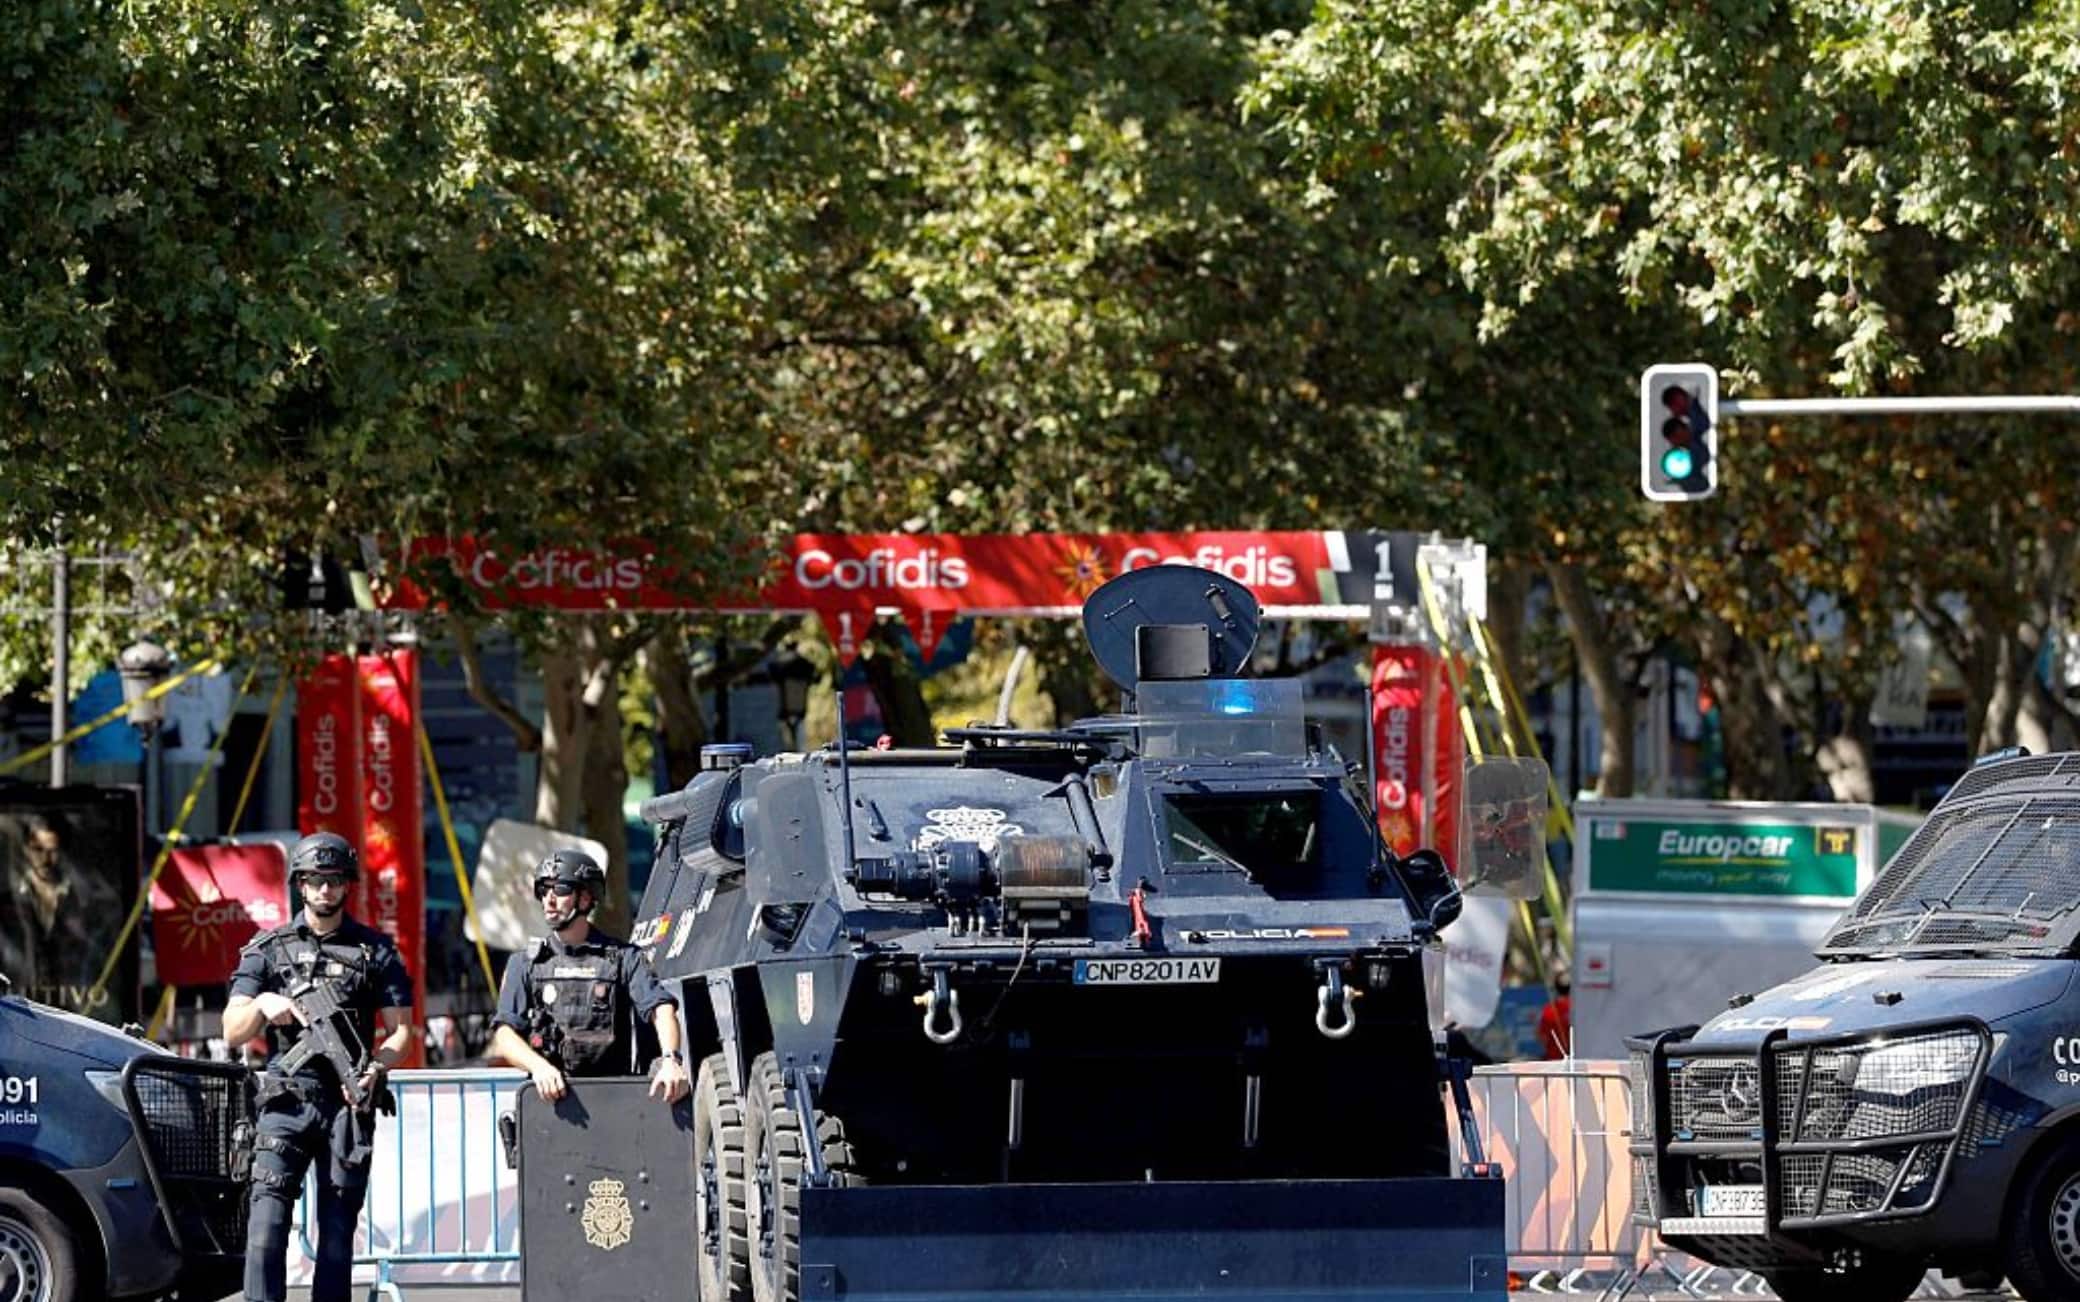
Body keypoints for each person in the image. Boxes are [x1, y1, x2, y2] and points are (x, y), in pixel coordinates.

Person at [223, 832, 416, 1302]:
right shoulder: (268, 948)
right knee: (265, 1231)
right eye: (315, 880)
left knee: (336, 1239)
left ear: (347, 884)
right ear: (300, 884)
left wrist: (376, 1067)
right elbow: (232, 1029)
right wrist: (264, 1003)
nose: (325, 890)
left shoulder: (375, 951)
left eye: (334, 880)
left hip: (346, 1105)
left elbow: (402, 1033)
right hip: (285, 1103)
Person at [490, 848, 690, 1105]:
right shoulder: (525, 963)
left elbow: (661, 1009)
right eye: (544, 890)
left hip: (615, 1100)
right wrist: (539, 1067)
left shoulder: (624, 957)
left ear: (585, 898)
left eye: (560, 890)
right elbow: (505, 1034)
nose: (549, 900)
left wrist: (671, 1060)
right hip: (549, 1104)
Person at [0, 812, 121, 1012]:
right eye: (38, 849)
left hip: (75, 1013)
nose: (45, 859)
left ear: (61, 852)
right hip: (18, 1014)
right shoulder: (6, 904)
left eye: (52, 850)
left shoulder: (87, 904)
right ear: (26, 850)